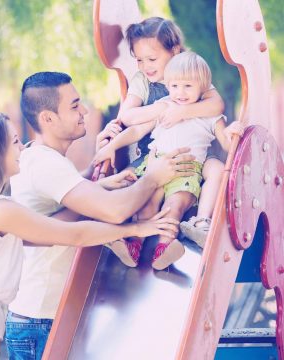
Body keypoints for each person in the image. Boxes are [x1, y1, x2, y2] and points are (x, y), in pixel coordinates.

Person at [0, 112, 181, 359]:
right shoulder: (0, 209)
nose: (22, 150)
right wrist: (137, 225)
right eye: (15, 142)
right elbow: (74, 235)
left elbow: (48, 229)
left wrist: (93, 188)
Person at [4, 71, 196, 359]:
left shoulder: (39, 157)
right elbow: (115, 210)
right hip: (41, 321)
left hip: (44, 316)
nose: (85, 111)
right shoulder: (45, 164)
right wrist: (154, 178)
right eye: (74, 105)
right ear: (47, 118)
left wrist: (96, 172)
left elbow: (64, 205)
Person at [96, 52, 244, 270]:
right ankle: (132, 246)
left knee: (173, 208)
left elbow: (226, 144)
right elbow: (137, 131)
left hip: (186, 170)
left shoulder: (210, 116)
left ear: (203, 87)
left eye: (187, 86)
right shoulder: (164, 106)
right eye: (174, 86)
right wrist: (111, 146)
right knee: (145, 207)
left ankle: (164, 250)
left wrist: (232, 133)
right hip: (154, 166)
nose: (180, 93)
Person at [93, 16, 226, 250]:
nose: (146, 66)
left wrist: (182, 112)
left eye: (152, 59)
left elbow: (216, 106)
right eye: (140, 60)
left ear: (174, 51)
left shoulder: (191, 75)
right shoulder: (144, 82)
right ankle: (127, 240)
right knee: (128, 188)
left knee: (173, 198)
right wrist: (160, 109)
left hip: (187, 159)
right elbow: (128, 117)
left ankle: (166, 243)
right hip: (150, 155)